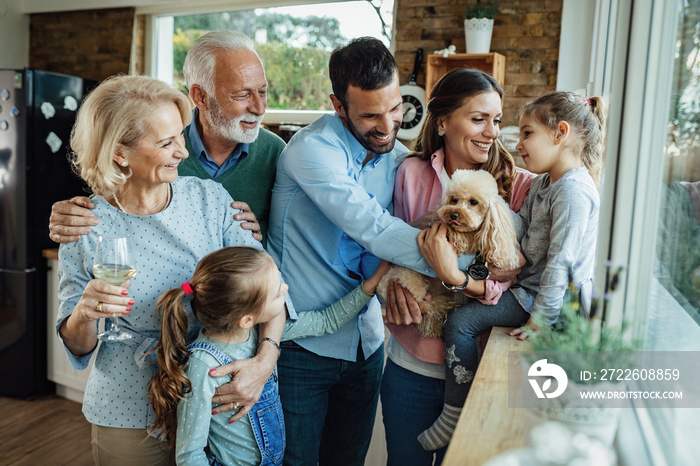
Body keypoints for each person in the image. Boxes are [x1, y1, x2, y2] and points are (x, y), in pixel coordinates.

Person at [266, 37, 486, 466]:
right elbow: (375, 228)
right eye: (370, 115)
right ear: (338, 104)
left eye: (394, 108)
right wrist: (468, 272)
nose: (388, 125)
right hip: (301, 345)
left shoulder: (396, 157)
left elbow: (393, 237)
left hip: (365, 345)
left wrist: (390, 286)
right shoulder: (312, 152)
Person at [49, 30, 286, 420]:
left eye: (180, 136)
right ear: (120, 154)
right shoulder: (84, 224)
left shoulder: (212, 196)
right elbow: (77, 345)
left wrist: (264, 362)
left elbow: (271, 285)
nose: (182, 150)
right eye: (165, 143)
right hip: (126, 410)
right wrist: (85, 313)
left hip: (213, 403)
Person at [417, 90, 606, 451]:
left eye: (527, 133)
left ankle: (454, 411)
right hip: (530, 291)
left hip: (556, 304)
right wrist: (486, 211)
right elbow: (517, 227)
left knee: (461, 323)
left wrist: (541, 320)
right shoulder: (543, 183)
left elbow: (562, 264)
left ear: (560, 133)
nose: (517, 144)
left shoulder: (574, 192)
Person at [380, 68, 535, 465]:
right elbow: (390, 250)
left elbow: (519, 276)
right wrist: (393, 290)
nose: (492, 132)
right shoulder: (410, 175)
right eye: (479, 119)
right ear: (444, 121)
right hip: (410, 364)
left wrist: (457, 278)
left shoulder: (518, 186)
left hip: (481, 371)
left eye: (497, 120)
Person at [148, 247, 390, 466]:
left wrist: (373, 283)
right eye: (277, 293)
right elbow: (190, 455)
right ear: (247, 319)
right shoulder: (203, 365)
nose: (285, 289)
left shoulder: (260, 334)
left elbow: (327, 321)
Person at [49, 29, 284, 245]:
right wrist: (71, 216)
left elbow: (290, 237)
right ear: (200, 97)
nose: (260, 108)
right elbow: (116, 203)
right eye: (242, 95)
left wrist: (256, 239)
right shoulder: (154, 149)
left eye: (262, 92)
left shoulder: (275, 153)